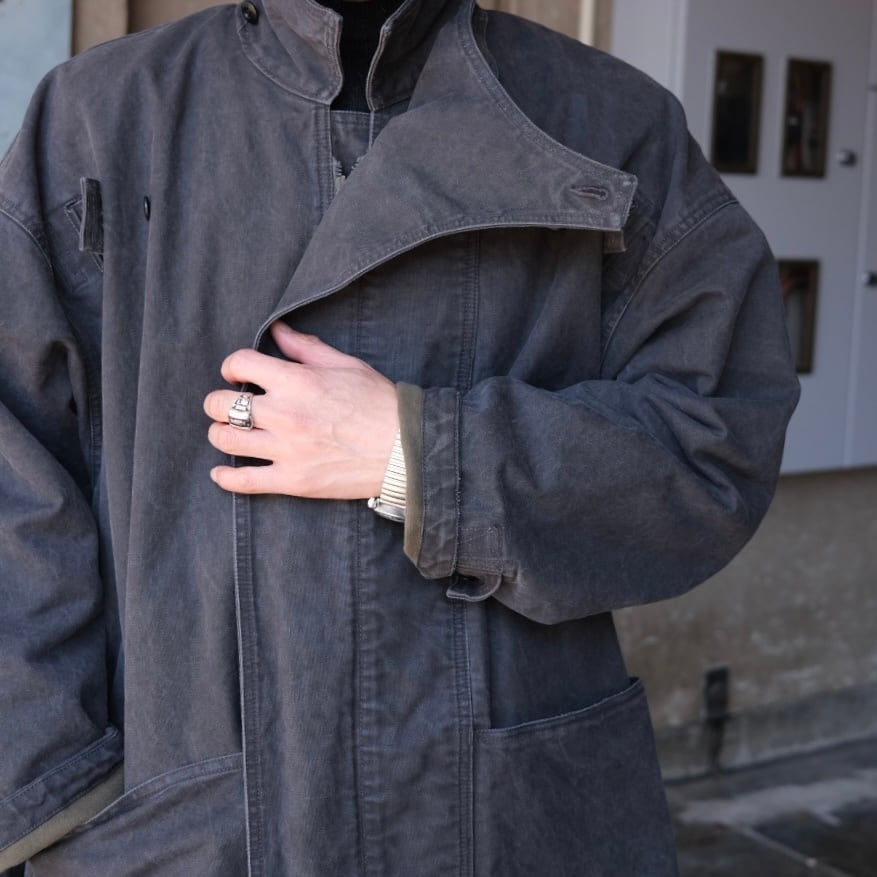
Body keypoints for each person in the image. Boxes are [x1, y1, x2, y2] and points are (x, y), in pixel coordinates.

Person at [0, 0, 799, 873]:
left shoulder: (608, 119)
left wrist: (418, 456)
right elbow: (13, 477)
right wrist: (55, 792)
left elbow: (713, 440)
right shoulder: (101, 115)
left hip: (505, 817)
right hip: (184, 819)